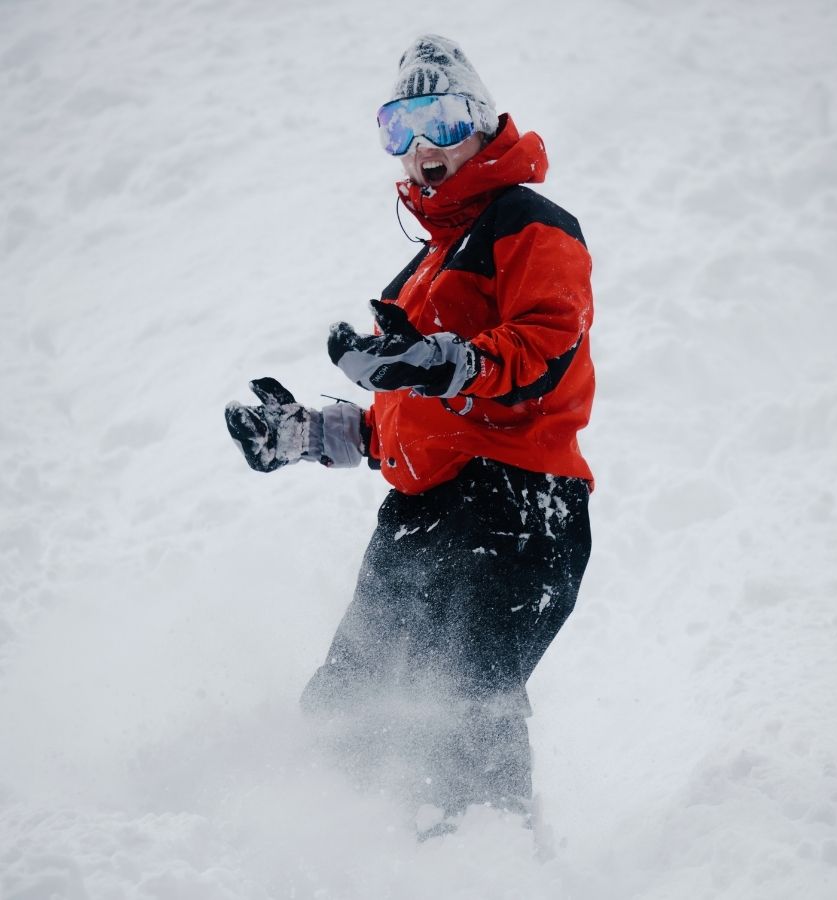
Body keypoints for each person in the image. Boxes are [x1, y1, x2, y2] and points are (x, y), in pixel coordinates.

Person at [225, 34, 594, 837]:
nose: (422, 148)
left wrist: (436, 361)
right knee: (351, 700)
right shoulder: (423, 269)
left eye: (441, 121)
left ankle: (484, 876)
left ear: (483, 124)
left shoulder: (529, 225)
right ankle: (326, 851)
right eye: (400, 128)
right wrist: (313, 433)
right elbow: (412, 421)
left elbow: (544, 347)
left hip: (518, 504)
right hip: (421, 513)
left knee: (465, 700)